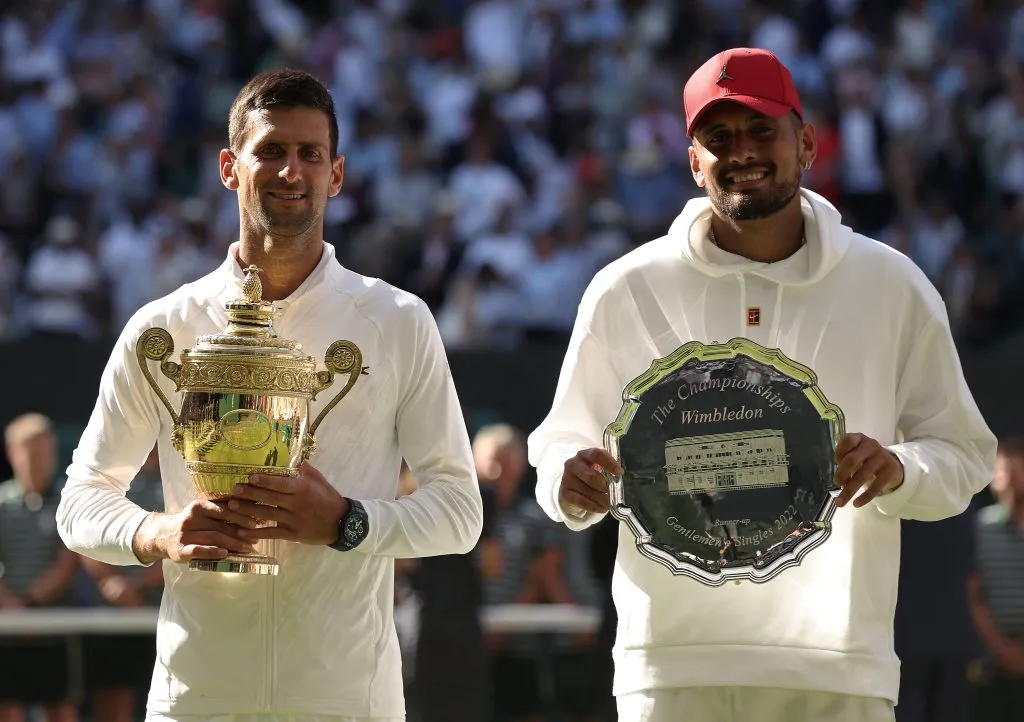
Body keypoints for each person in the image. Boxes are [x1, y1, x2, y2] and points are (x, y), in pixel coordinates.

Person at [526, 47, 997, 722]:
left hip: (839, 668)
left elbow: (964, 457)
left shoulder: (891, 285)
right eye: (718, 139)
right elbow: (559, 445)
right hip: (672, 665)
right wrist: (567, 484)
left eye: (761, 131)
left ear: (806, 143)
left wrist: (897, 469)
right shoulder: (624, 289)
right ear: (694, 162)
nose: (741, 151)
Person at [55, 68, 483, 722]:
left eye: (310, 154)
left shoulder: (397, 320)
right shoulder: (162, 327)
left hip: (346, 701)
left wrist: (346, 521)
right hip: (197, 696)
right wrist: (157, 532)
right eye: (271, 151)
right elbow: (80, 502)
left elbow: (459, 512)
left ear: (335, 176)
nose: (291, 171)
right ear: (230, 167)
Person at [0, 413, 79, 722]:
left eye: (46, 451)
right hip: (6, 631)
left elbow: (68, 560)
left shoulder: (68, 501)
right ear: (12, 453)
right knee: (7, 709)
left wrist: (31, 603)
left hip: (54, 628)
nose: (40, 459)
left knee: (60, 708)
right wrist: (9, 605)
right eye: (32, 451)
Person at [967, 437, 1024, 722]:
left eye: (1017, 471)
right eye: (1002, 472)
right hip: (991, 659)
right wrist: (1001, 647)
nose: (1009, 480)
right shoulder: (980, 527)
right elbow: (974, 592)